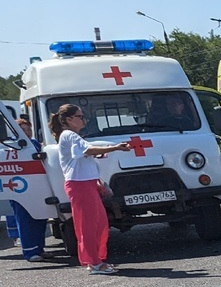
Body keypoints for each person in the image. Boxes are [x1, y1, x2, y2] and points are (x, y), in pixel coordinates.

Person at [49, 104, 131, 274]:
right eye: (80, 116)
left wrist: (97, 175)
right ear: (69, 120)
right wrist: (115, 147)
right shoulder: (69, 135)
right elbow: (87, 150)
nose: (83, 119)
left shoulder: (71, 136)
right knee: (88, 225)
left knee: (99, 223)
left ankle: (96, 260)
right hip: (79, 185)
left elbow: (85, 155)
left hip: (86, 184)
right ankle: (94, 263)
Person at [10, 116, 50, 261]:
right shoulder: (12, 146)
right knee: (25, 219)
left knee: (40, 218)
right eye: (22, 130)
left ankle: (39, 249)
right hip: (21, 190)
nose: (27, 132)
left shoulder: (35, 144)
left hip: (38, 188)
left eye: (28, 129)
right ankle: (29, 252)